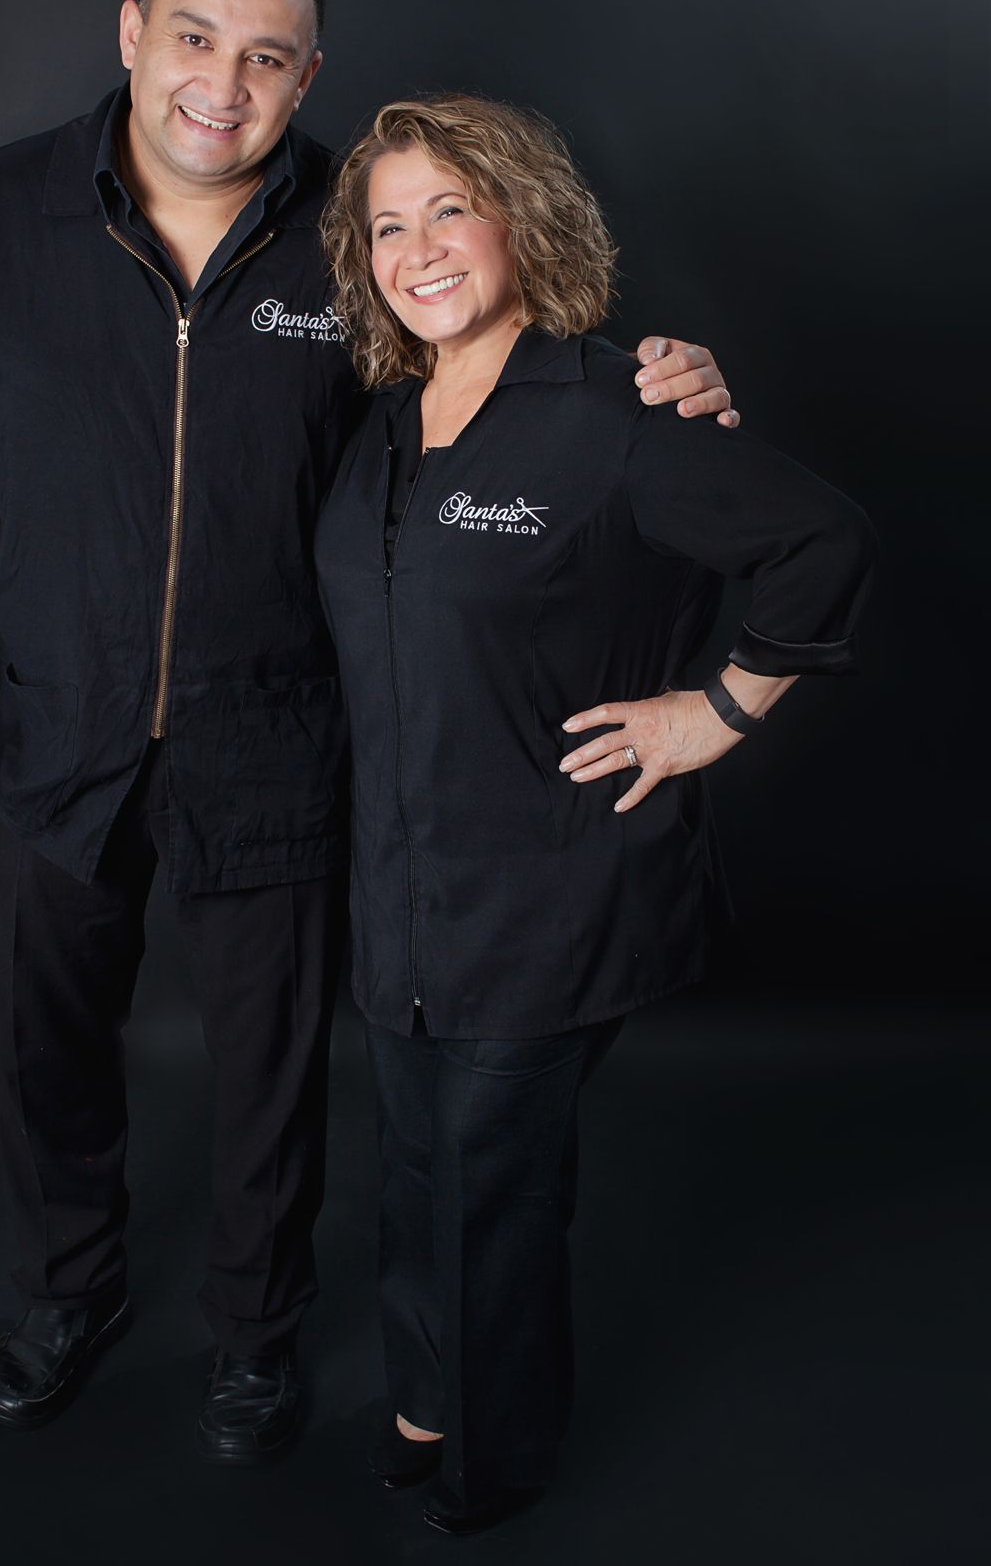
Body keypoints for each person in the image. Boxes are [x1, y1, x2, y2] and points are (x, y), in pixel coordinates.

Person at [0, 0, 739, 1460]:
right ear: (132, 32)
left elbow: (502, 373)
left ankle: (254, 1337)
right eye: (196, 36)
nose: (225, 82)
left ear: (307, 74)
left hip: (278, 738)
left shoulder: (356, 231)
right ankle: (68, 1293)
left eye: (269, 56)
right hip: (38, 727)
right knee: (43, 1046)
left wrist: (670, 392)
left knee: (270, 1071)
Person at [314, 94, 876, 1532]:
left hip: (557, 883)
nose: (419, 246)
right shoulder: (378, 431)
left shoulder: (617, 408)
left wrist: (721, 710)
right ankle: (425, 1402)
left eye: (452, 207)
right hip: (404, 887)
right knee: (419, 1159)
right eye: (389, 223)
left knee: (494, 1183)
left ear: (522, 216)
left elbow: (819, 537)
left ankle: (493, 1459)